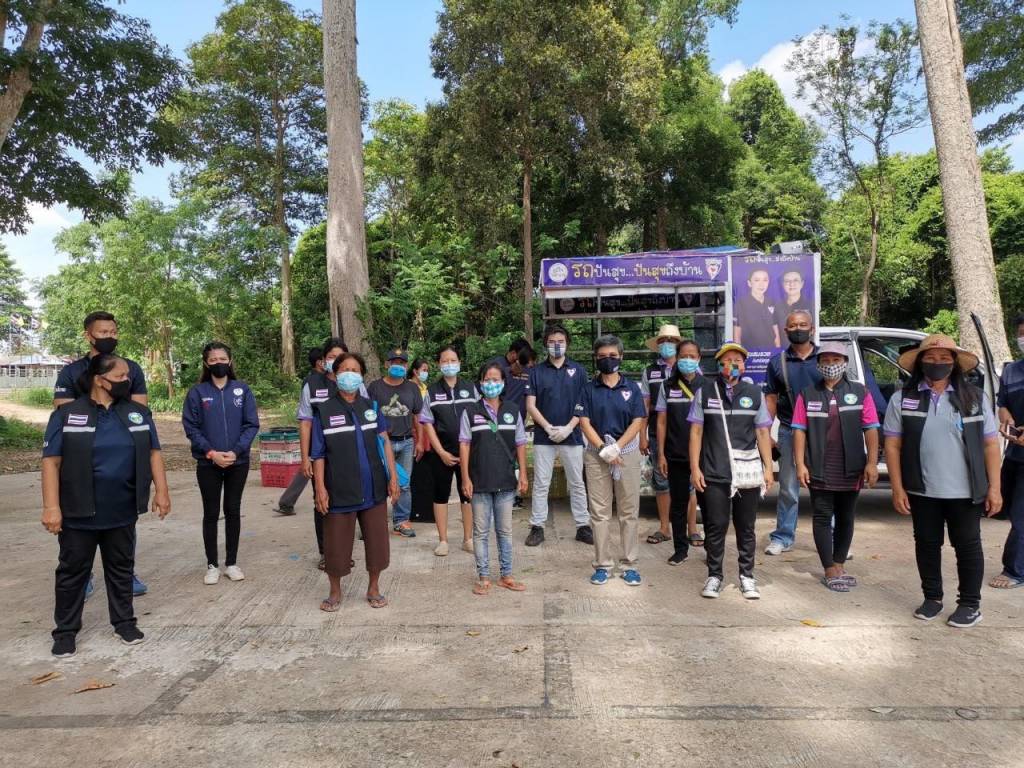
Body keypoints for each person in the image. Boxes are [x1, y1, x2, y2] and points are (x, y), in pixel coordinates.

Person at [41, 354, 170, 658]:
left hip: (122, 508)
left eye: (128, 376)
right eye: (121, 377)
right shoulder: (67, 415)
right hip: (78, 511)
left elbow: (154, 453)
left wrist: (162, 492)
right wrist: (51, 507)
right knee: (72, 572)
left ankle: (124, 623)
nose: (128, 381)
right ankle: (65, 632)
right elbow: (51, 462)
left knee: (121, 568)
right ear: (100, 380)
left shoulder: (137, 413)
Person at [883, 334, 1002, 628]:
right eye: (931, 357)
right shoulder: (903, 398)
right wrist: (897, 487)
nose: (938, 362)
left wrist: (995, 488)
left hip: (965, 490)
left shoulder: (974, 398)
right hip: (922, 489)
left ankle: (970, 605)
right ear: (920, 362)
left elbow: (990, 445)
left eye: (945, 358)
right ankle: (932, 598)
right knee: (926, 545)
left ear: (955, 363)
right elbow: (893, 446)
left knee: (968, 547)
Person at [53, 311, 150, 597]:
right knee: (75, 520)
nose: (110, 337)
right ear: (89, 335)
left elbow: (140, 410)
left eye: (113, 332)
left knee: (123, 518)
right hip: (79, 457)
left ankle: (125, 573)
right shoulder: (71, 372)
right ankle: (80, 576)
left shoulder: (130, 368)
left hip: (121, 456)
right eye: (103, 332)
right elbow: (62, 411)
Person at [312, 353, 400, 612]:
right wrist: (320, 488)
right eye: (344, 369)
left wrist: (393, 476)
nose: (349, 374)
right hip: (339, 488)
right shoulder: (324, 411)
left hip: (373, 487)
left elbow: (384, 441)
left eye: (355, 370)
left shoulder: (371, 407)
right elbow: (318, 454)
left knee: (377, 542)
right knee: (336, 544)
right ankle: (335, 591)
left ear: (361, 376)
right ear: (335, 374)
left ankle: (373, 587)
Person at [791, 342, 880, 592]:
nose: (831, 365)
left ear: (845, 362)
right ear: (818, 364)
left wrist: (872, 463)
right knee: (822, 516)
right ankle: (829, 568)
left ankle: (839, 563)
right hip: (819, 466)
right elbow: (799, 431)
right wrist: (800, 464)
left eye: (836, 360)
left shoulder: (860, 392)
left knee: (846, 516)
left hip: (851, 466)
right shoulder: (807, 394)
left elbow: (871, 428)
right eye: (826, 360)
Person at [689, 342, 774, 600]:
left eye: (737, 360)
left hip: (747, 473)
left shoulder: (755, 393)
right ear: (718, 364)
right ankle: (714, 575)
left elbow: (762, 432)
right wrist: (695, 468)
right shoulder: (705, 392)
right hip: (714, 470)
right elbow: (696, 432)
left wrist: (768, 468)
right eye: (726, 360)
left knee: (746, 526)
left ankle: (747, 576)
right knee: (715, 525)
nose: (732, 364)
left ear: (744, 365)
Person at [182, 342, 260, 585]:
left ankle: (231, 563)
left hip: (238, 461)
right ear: (206, 363)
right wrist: (211, 452)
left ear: (230, 361)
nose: (219, 363)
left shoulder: (242, 390)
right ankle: (212, 565)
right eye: (213, 359)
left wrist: (236, 451)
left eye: (223, 359)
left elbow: (251, 424)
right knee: (211, 512)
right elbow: (191, 427)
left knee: (233, 510)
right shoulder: (197, 393)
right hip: (208, 463)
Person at [576, 334, 647, 587]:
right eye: (603, 356)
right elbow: (584, 422)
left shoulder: (632, 388)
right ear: (596, 358)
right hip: (597, 454)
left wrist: (617, 447)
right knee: (599, 512)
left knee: (629, 511)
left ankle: (629, 564)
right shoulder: (588, 389)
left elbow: (638, 420)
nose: (608, 360)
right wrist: (603, 448)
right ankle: (603, 565)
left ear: (621, 357)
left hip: (627, 453)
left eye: (613, 355)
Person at [459, 361, 529, 594]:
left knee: (505, 530)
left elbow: (520, 443)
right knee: (480, 532)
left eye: (495, 379)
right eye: (487, 379)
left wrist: (523, 474)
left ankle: (506, 575)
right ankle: (484, 577)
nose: (491, 384)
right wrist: (465, 478)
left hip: (506, 480)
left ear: (503, 383)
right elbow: (464, 445)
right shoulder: (470, 411)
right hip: (479, 481)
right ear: (480, 383)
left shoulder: (513, 410)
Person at [524, 325, 592, 546]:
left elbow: (583, 403)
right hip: (544, 436)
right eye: (552, 341)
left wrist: (569, 427)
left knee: (577, 482)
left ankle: (583, 526)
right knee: (541, 483)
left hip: (572, 435)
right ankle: (537, 527)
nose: (556, 345)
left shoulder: (579, 371)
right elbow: (531, 405)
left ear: (567, 344)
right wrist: (548, 427)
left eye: (560, 341)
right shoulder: (536, 372)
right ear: (545, 344)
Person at [764, 309, 822, 555]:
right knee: (788, 487)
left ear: (812, 329)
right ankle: (783, 537)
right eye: (794, 326)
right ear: (786, 330)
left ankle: (831, 538)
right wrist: (766, 433)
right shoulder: (778, 362)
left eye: (803, 324)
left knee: (825, 488)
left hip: (822, 433)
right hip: (789, 431)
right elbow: (770, 399)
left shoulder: (825, 358)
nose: (798, 329)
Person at [293, 338, 352, 568]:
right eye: (331, 357)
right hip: (320, 455)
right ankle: (326, 552)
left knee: (348, 500)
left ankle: (344, 551)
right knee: (322, 499)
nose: (335, 361)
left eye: (340, 356)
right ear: (323, 360)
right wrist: (305, 457)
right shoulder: (312, 384)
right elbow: (305, 422)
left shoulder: (354, 382)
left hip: (348, 453)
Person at [420, 346, 478, 556]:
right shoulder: (432, 392)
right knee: (440, 495)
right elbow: (427, 423)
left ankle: (468, 539)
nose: (449, 364)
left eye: (453, 360)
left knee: (467, 494)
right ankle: (443, 540)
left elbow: (479, 418)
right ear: (439, 364)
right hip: (441, 454)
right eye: (445, 361)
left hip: (467, 452)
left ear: (459, 363)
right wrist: (441, 452)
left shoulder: (471, 388)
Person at [655, 338, 706, 565]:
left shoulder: (709, 386)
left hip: (704, 457)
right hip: (675, 454)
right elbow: (661, 422)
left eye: (692, 356)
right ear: (677, 358)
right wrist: (661, 454)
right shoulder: (667, 386)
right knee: (678, 504)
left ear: (699, 359)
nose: (687, 360)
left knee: (708, 504)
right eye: (683, 356)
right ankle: (680, 550)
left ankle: (713, 551)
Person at [367, 347, 424, 537]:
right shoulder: (375, 387)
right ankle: (374, 522)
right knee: (379, 482)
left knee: (404, 483)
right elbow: (367, 415)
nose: (398, 366)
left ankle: (401, 521)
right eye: (394, 362)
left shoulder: (412, 388)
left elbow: (418, 416)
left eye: (402, 363)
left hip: (407, 441)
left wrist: (420, 441)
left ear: (407, 366)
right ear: (387, 364)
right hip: (383, 443)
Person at [641, 323, 683, 545]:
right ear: (658, 345)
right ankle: (665, 528)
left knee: (687, 481)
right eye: (663, 341)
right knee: (661, 480)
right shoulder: (649, 372)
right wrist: (642, 435)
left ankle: (691, 529)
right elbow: (645, 406)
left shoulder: (689, 367)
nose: (667, 344)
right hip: (657, 434)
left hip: (684, 434)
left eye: (672, 341)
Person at [273, 347, 325, 516]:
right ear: (319, 362)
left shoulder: (318, 379)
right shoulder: (313, 381)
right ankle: (286, 502)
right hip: (315, 433)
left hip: (316, 434)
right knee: (308, 467)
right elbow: (306, 417)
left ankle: (287, 502)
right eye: (327, 358)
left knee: (308, 468)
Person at [993, 316, 1024, 590]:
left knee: (1020, 514)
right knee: (1009, 509)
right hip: (1014, 454)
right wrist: (1006, 418)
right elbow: (1001, 403)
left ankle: (1014, 570)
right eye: (1022, 333)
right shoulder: (1011, 371)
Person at [732, 268, 780, 349]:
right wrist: (739, 352)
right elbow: (737, 333)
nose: (761, 284)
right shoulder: (741, 304)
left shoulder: (771, 302)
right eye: (757, 280)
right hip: (749, 351)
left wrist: (777, 350)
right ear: (749, 283)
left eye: (765, 280)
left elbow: (775, 330)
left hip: (770, 350)